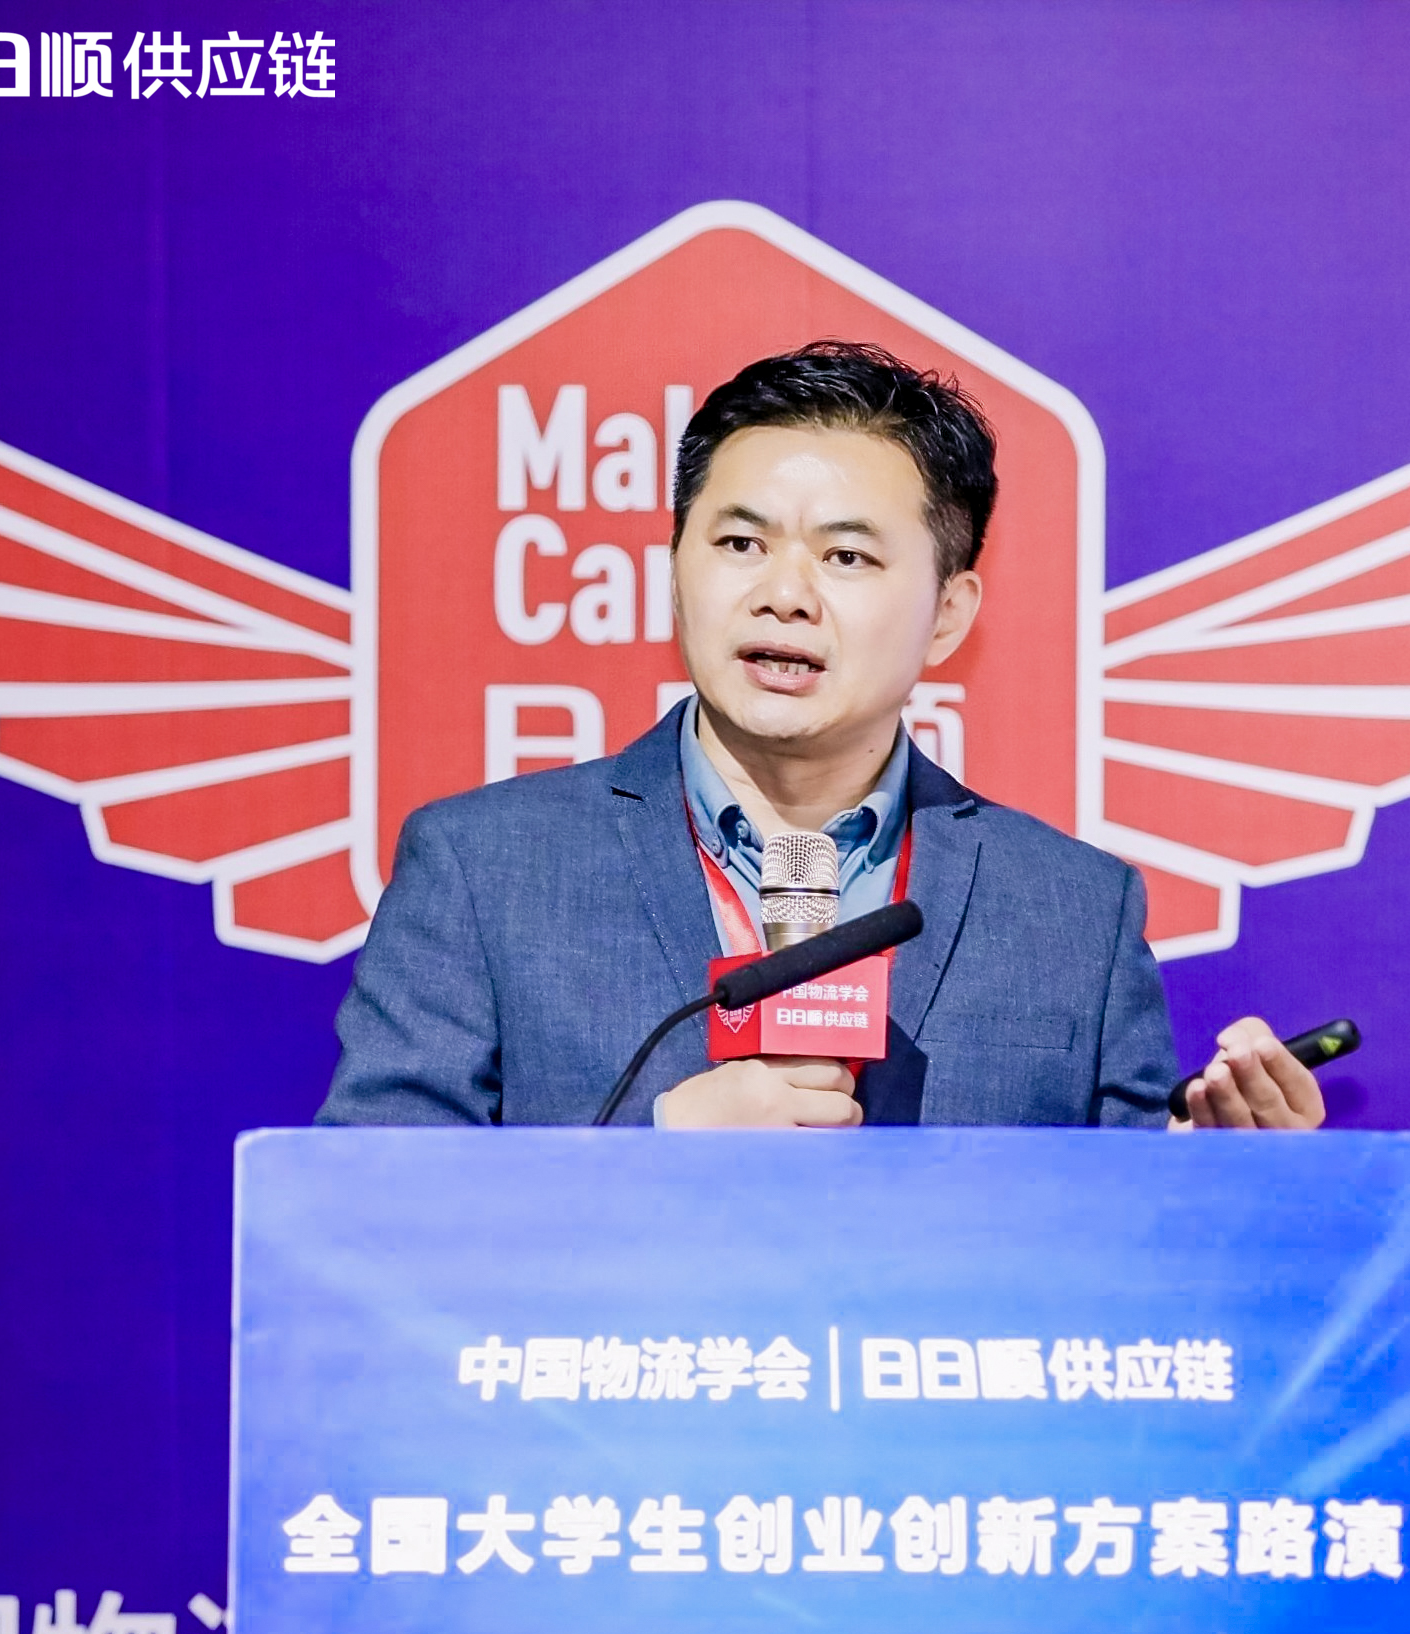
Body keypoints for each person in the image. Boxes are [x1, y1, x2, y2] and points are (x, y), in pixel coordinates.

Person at [320, 341, 1325, 1132]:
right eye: (739, 543)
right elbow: (365, 1220)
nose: (783, 595)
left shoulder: (1072, 909)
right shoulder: (483, 868)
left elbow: (1119, 1244)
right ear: (673, 569)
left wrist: (1217, 1191)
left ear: (947, 614)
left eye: (845, 557)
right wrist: (648, 1155)